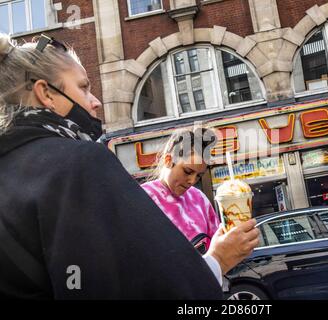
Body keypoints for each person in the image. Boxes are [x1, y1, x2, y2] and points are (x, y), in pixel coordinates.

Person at [0, 33, 259, 299]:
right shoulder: (79, 162)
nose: (96, 101)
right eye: (84, 87)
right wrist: (217, 261)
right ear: (46, 93)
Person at [141, 127, 221, 254]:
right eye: (187, 171)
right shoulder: (141, 198)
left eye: (199, 175)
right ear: (168, 160)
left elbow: (218, 245)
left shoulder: (199, 198)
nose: (192, 181)